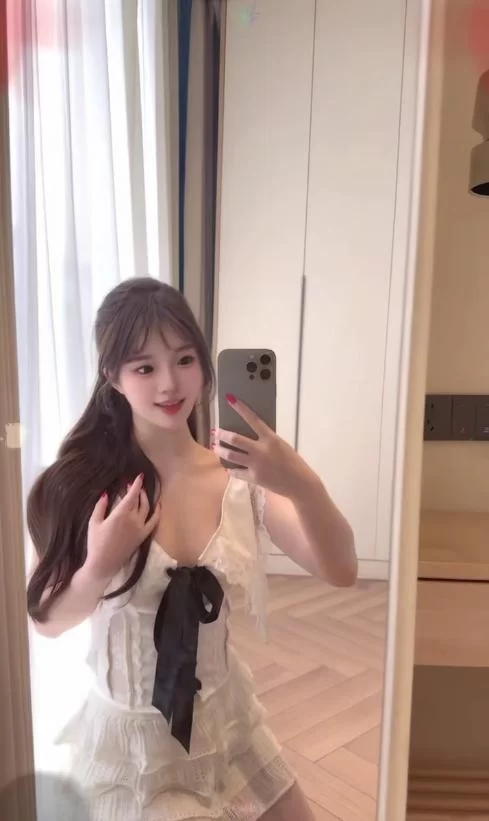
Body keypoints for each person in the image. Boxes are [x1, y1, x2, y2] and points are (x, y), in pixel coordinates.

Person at [26, 277, 357, 821]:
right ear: (112, 376)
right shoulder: (82, 486)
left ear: (205, 364)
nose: (169, 384)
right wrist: (98, 568)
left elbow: (341, 570)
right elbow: (46, 620)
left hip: (226, 722)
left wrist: (301, 483)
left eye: (184, 359)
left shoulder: (242, 478)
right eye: (145, 367)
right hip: (132, 750)